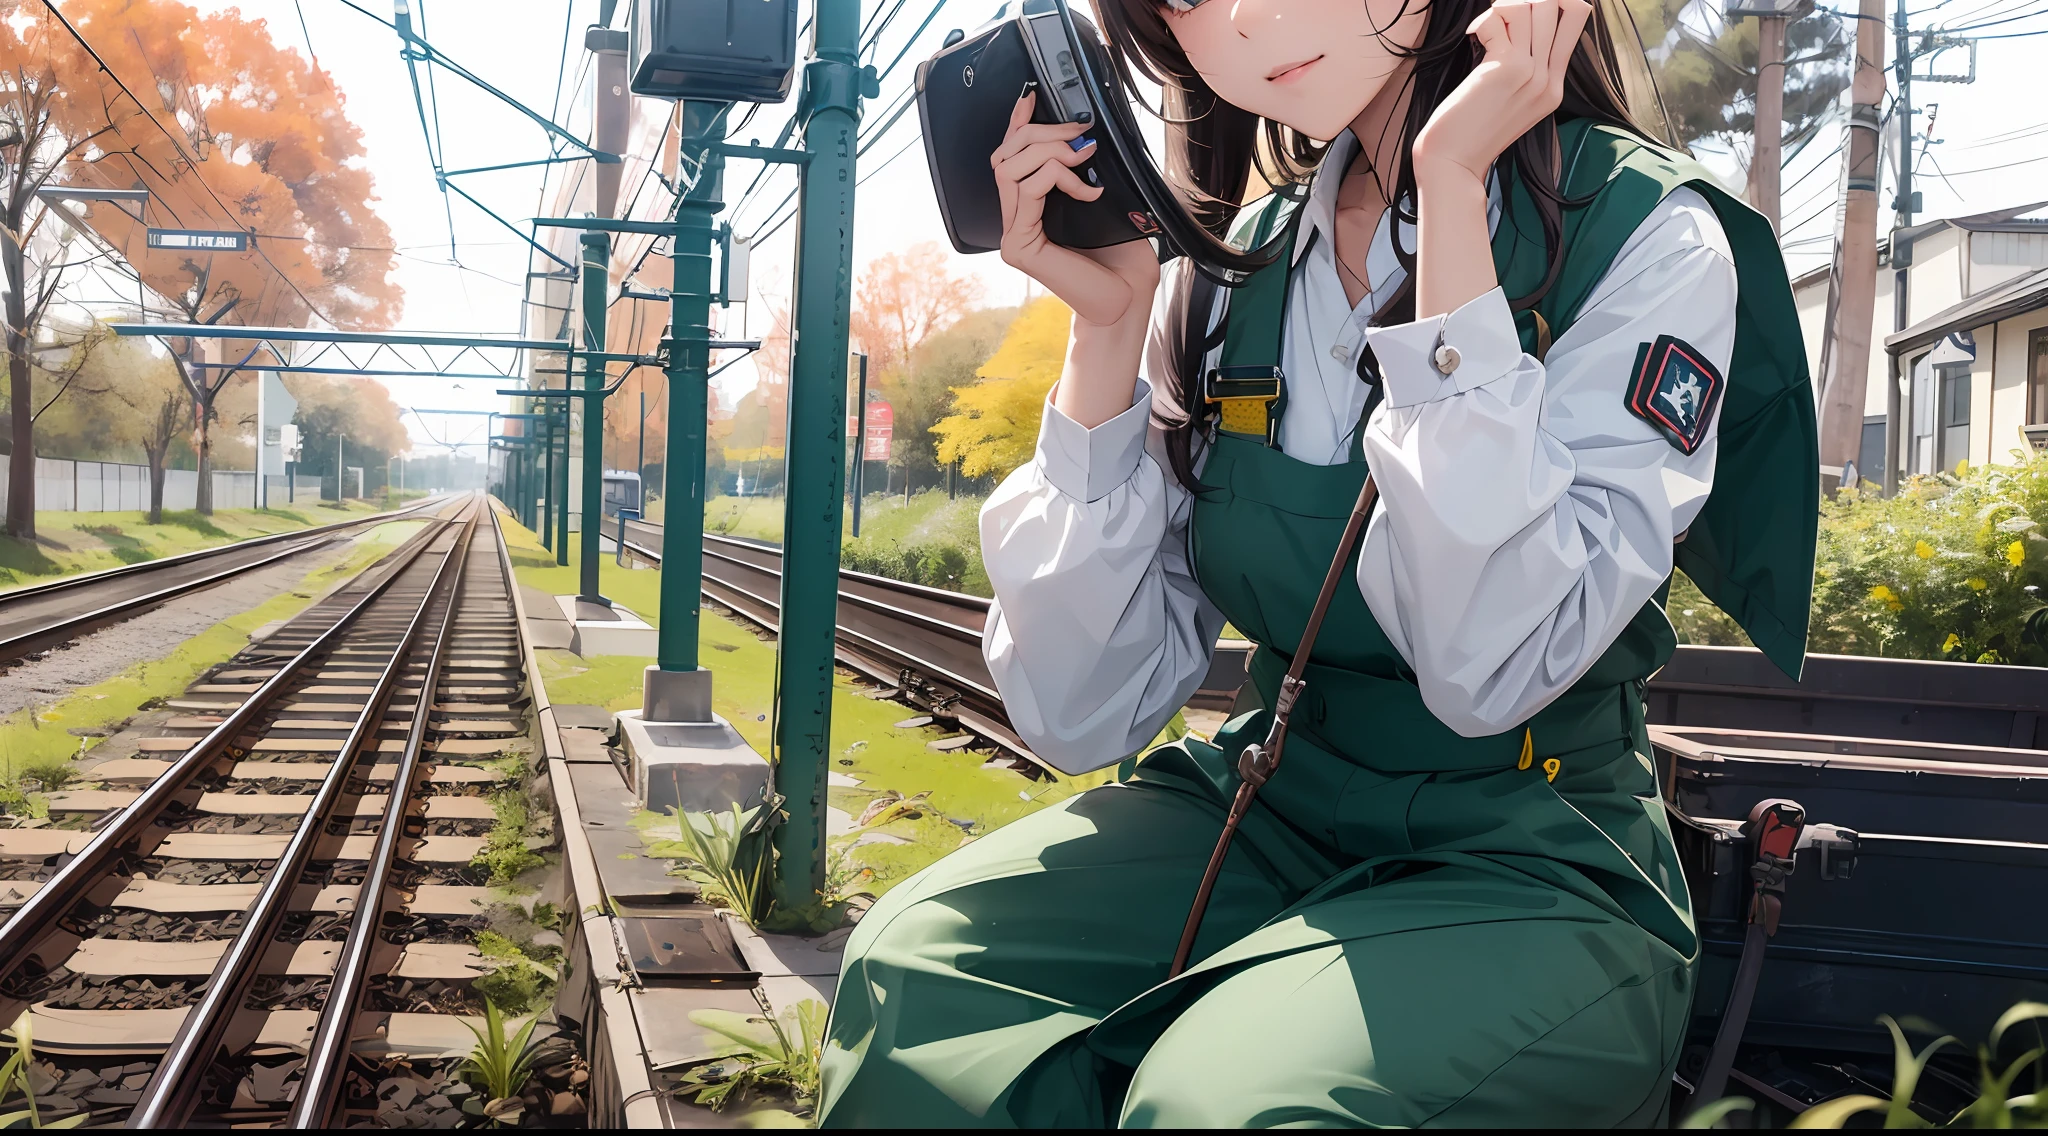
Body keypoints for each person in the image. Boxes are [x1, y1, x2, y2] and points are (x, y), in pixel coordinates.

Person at [821, 0, 1817, 1124]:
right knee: (918, 975)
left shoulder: (1641, 232)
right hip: (1266, 804)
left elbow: (1489, 660)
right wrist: (1108, 326)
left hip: (1533, 855)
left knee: (1224, 1106)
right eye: (1186, 2)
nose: (1245, 16)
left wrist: (1448, 188)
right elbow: (1076, 712)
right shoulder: (1224, 273)